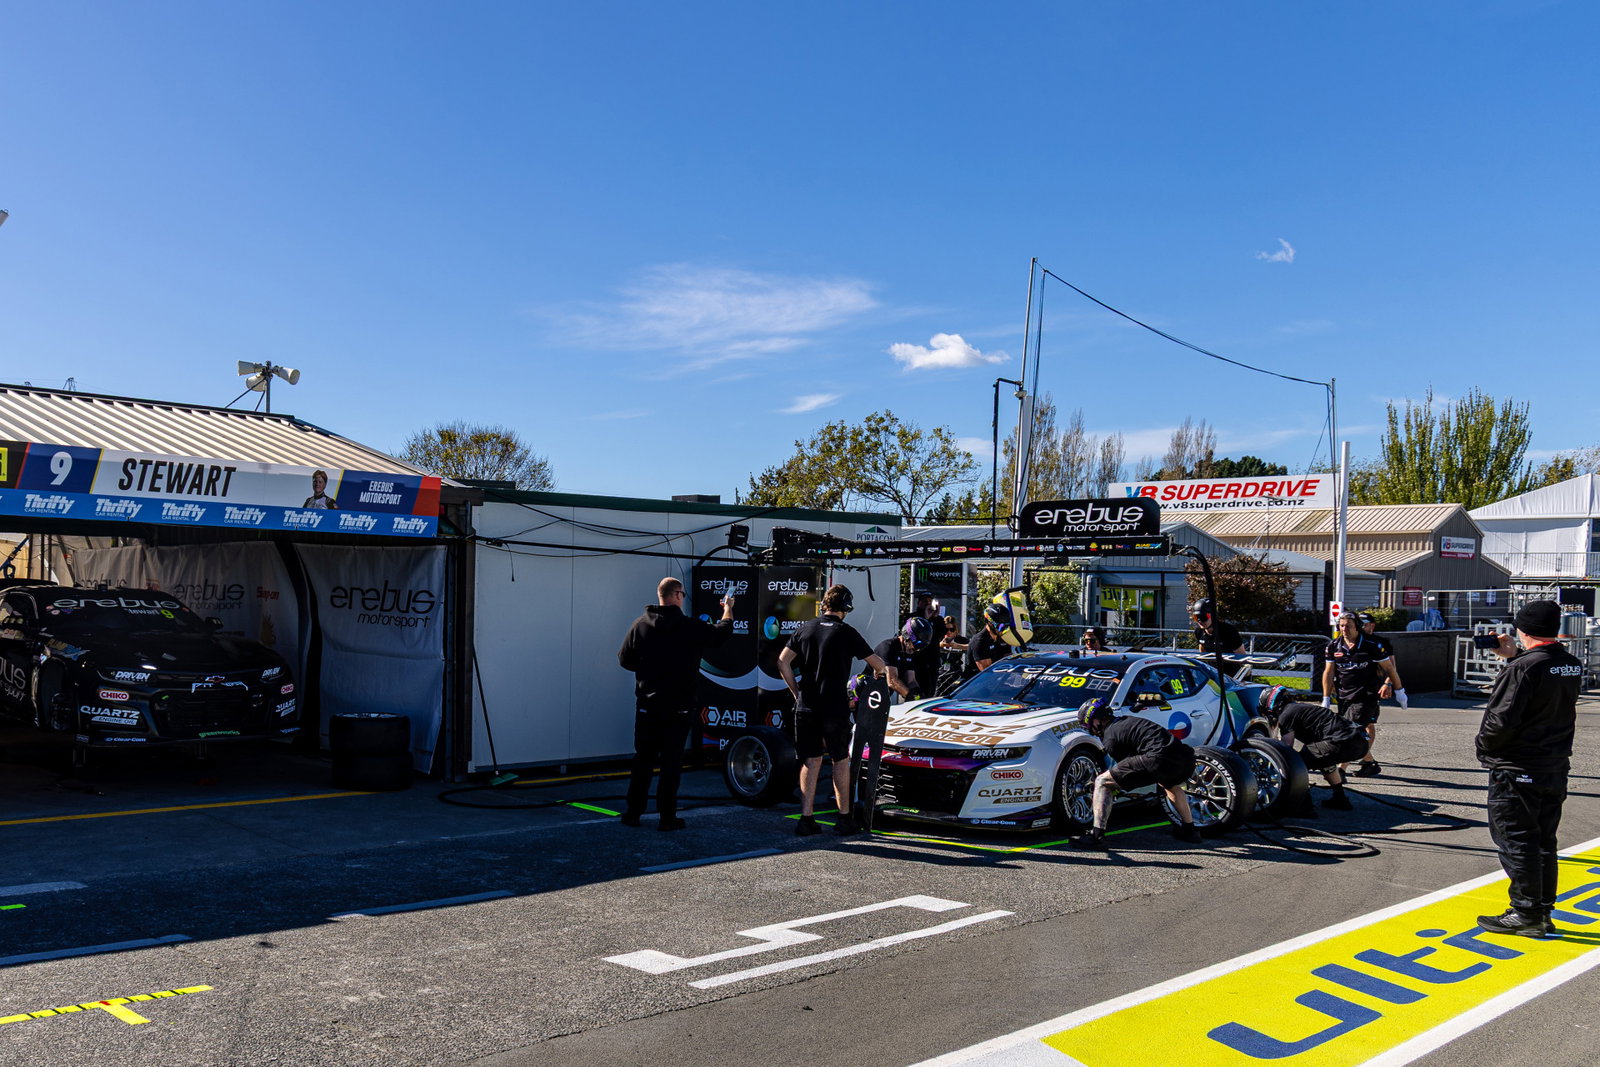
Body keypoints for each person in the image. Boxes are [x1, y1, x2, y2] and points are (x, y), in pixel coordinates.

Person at [1475, 600, 1582, 937]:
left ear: (1522, 630)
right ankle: (1540, 909)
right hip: (1554, 763)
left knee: (1517, 839)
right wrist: (1515, 657)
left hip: (1518, 765)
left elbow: (1500, 721)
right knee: (1543, 840)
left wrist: (1484, 748)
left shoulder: (1522, 668)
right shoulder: (1570, 664)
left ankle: (1526, 913)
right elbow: (1542, 683)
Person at [616, 577, 734, 830]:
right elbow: (721, 634)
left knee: (643, 759)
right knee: (671, 762)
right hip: (679, 706)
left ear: (661, 596)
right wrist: (727, 609)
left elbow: (624, 659)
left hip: (648, 705)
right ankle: (667, 817)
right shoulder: (689, 626)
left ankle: (633, 813)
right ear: (678, 595)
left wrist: (647, 671)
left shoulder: (640, 625)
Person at [779, 585, 887, 838]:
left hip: (806, 705)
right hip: (834, 706)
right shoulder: (846, 632)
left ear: (825, 604)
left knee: (811, 760)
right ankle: (844, 818)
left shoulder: (805, 629)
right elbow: (878, 663)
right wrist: (875, 677)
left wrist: (796, 692)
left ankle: (806, 819)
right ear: (846, 607)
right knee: (840, 759)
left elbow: (782, 662)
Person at [1070, 697, 1201, 848]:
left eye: (1087, 725)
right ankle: (1190, 830)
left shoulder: (1110, 737)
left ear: (1096, 721)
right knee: (1169, 784)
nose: (1090, 730)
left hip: (1158, 759)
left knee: (1102, 782)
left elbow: (1124, 771)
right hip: (1185, 758)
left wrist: (1113, 788)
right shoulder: (1126, 721)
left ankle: (1096, 836)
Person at [1321, 611, 1405, 777]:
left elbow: (1390, 668)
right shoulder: (1333, 646)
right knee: (1357, 731)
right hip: (1344, 695)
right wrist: (1325, 697)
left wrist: (1397, 689)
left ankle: (1340, 770)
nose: (1344, 629)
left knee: (1349, 732)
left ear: (1358, 627)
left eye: (1348, 626)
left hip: (1366, 695)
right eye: (1341, 626)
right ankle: (1369, 762)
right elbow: (1328, 672)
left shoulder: (1373, 644)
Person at [1259, 685, 1366, 812]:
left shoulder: (1286, 714)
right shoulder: (1299, 708)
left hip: (1341, 741)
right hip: (1360, 742)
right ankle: (1340, 798)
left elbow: (1286, 749)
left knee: (1296, 762)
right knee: (1323, 759)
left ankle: (1304, 806)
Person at [963, 602, 1011, 679]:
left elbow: (1009, 663)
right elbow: (987, 674)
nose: (1003, 630)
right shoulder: (979, 641)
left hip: (997, 678)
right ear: (989, 623)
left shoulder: (1002, 639)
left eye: (1007, 626)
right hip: (977, 681)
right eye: (1001, 626)